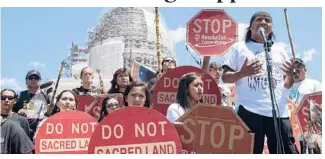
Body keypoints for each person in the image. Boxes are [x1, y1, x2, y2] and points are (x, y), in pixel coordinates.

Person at [221, 11, 297, 154]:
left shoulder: (280, 50)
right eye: (259, 19)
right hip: (249, 111)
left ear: (271, 28)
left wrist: (290, 75)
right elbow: (225, 77)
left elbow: (287, 84)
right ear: (250, 27)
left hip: (279, 113)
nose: (263, 22)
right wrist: (242, 73)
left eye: (267, 20)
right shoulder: (239, 48)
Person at [13, 70, 49, 140]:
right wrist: (18, 112)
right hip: (24, 133)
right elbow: (9, 113)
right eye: (30, 78)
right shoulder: (19, 96)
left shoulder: (46, 96)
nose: (33, 80)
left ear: (40, 81)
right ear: (26, 81)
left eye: (36, 78)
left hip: (43, 132)